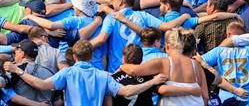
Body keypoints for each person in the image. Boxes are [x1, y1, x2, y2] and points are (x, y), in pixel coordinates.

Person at [2, 40, 169, 106]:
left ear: (74, 56)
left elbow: (42, 85)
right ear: (90, 56)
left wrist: (17, 70)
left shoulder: (68, 73)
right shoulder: (103, 75)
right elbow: (126, 91)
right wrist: (151, 82)